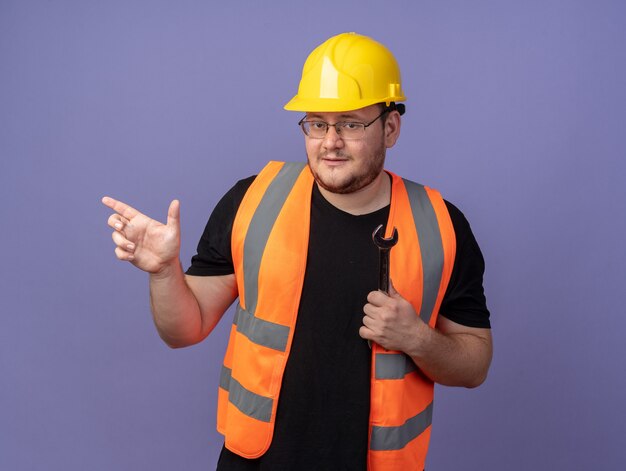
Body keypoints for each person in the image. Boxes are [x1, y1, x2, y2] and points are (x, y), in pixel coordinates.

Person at [102, 32, 492, 470]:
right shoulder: (254, 201)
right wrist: (162, 272)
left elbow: (474, 364)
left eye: (349, 123)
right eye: (317, 123)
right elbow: (183, 330)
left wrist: (417, 338)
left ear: (391, 127)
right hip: (256, 462)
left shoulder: (441, 225)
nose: (330, 141)